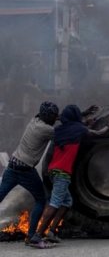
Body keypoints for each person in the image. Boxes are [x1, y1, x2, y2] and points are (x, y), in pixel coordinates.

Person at [29, 104, 109, 249]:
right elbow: (98, 134)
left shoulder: (58, 130)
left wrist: (86, 122)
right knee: (55, 202)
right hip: (62, 173)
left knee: (67, 202)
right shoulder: (79, 129)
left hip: (53, 171)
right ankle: (37, 236)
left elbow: (74, 128)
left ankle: (52, 231)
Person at [0, 101, 59, 247]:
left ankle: (32, 236)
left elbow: (56, 118)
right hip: (25, 170)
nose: (55, 118)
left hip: (13, 165)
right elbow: (64, 132)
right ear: (49, 118)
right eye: (54, 116)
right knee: (41, 200)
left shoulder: (35, 120)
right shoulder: (47, 130)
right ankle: (33, 237)